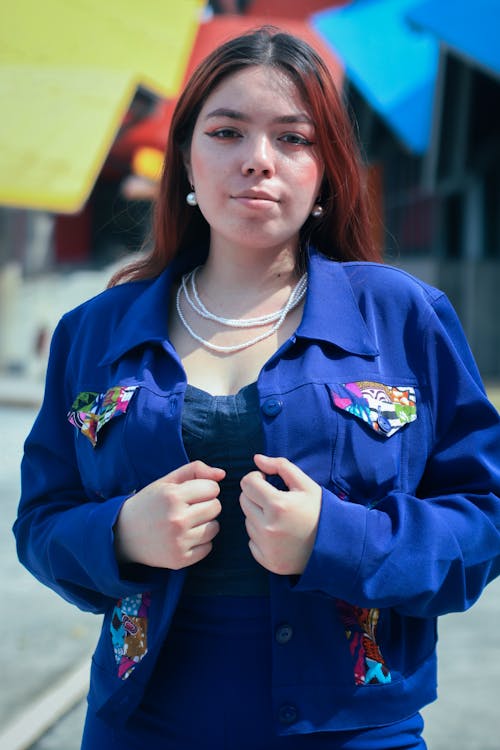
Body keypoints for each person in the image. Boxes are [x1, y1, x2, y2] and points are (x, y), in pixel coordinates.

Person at [14, 27, 500, 750]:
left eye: (293, 139)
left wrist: (338, 540)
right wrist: (118, 535)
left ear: (327, 169)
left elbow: (482, 520)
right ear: (187, 155)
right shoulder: (95, 331)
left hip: (353, 731)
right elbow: (41, 521)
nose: (257, 162)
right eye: (227, 132)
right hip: (141, 727)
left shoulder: (402, 318)